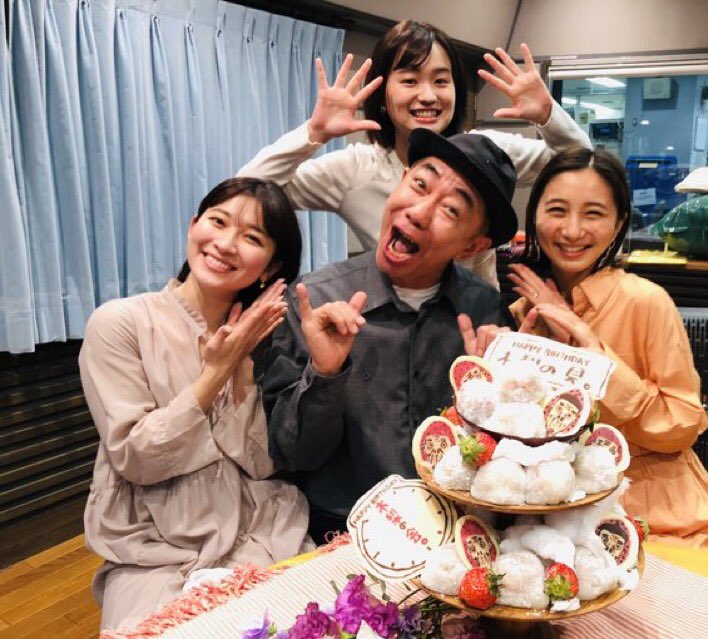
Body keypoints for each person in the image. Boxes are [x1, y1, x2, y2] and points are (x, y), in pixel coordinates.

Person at [260, 129, 516, 543]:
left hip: (455, 534)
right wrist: (325, 374)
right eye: (419, 184)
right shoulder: (315, 300)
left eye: (450, 209)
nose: (418, 212)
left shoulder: (485, 313)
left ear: (473, 246)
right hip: (338, 535)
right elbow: (291, 455)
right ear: (400, 181)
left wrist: (495, 397)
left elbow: (504, 460)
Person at [79, 178, 313, 630]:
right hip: (150, 545)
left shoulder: (262, 335)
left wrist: (243, 366)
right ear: (193, 225)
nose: (225, 244)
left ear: (269, 268)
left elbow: (259, 464)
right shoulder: (120, 322)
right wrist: (215, 374)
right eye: (218, 222)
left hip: (253, 527)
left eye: (252, 238)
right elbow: (137, 457)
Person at [507, 147, 708, 554]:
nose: (572, 230)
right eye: (557, 210)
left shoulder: (646, 301)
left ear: (619, 222)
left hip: (656, 515)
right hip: (556, 509)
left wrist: (590, 356)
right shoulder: (527, 307)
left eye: (593, 213)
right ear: (533, 216)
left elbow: (682, 425)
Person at [238, 20, 591, 288]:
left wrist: (549, 115)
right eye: (409, 81)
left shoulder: (489, 153)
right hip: (389, 324)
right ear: (382, 94)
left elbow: (583, 165)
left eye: (441, 81)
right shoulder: (355, 168)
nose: (428, 96)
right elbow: (245, 192)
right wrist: (313, 134)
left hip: (475, 325)